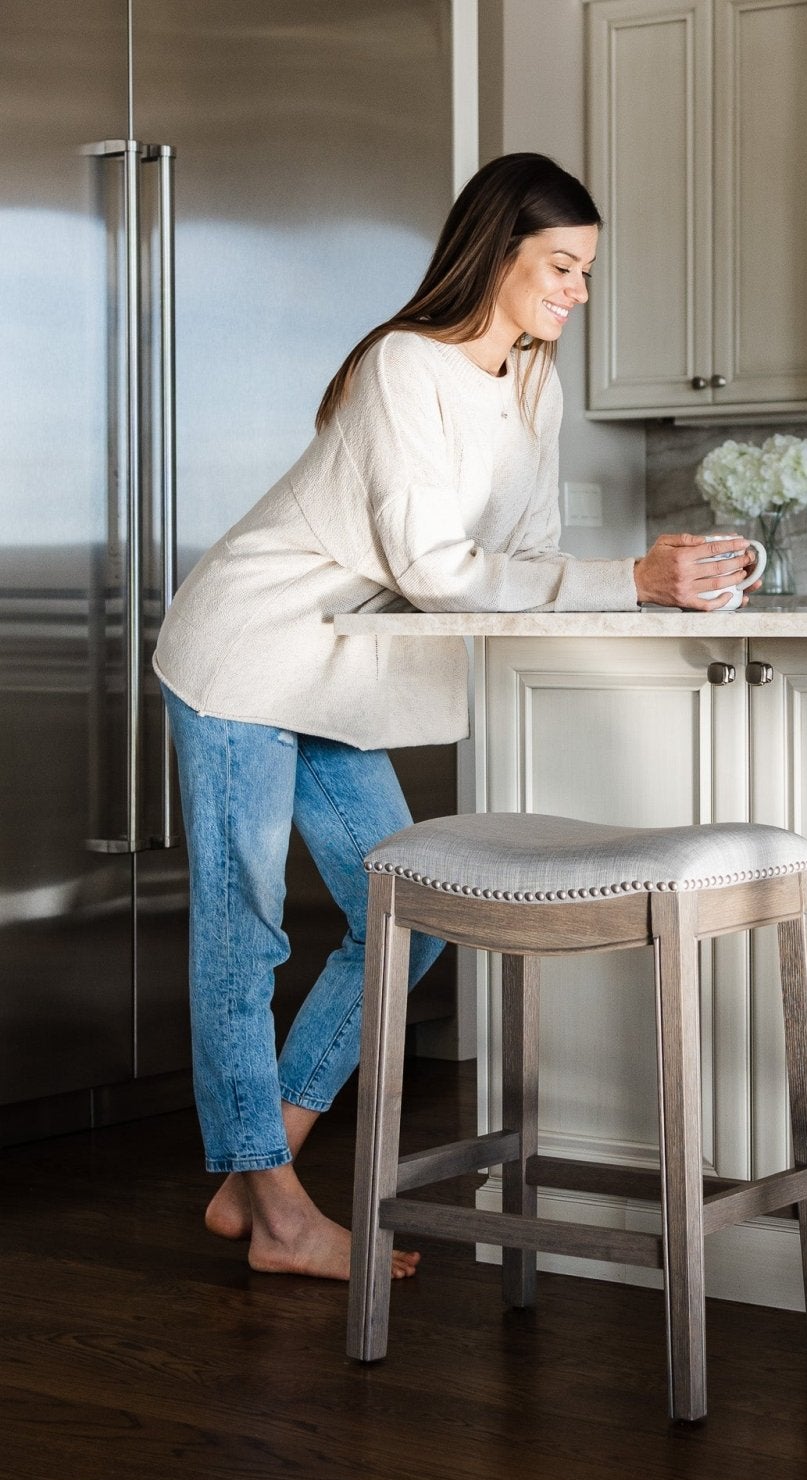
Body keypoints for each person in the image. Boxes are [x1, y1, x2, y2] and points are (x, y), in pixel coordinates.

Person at [153, 152, 753, 1282]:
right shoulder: (402, 367)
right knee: (246, 934)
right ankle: (280, 1217)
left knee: (411, 918)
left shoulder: (535, 384)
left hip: (342, 675)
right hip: (247, 653)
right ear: (497, 256)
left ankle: (255, 1167)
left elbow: (519, 560)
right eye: (560, 265)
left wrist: (661, 579)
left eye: (585, 270)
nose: (578, 290)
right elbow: (438, 568)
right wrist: (628, 577)